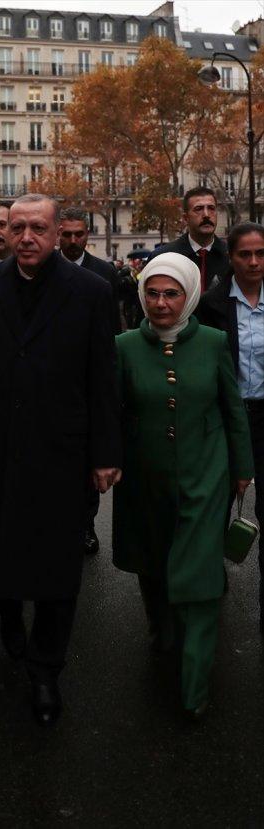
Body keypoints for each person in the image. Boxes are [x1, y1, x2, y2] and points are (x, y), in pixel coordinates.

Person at [0, 194, 121, 726]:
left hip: (61, 452)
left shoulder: (91, 290)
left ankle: (46, 670)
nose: (25, 237)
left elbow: (102, 377)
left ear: (56, 231)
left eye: (37, 228)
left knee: (57, 570)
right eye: (17, 226)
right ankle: (6, 613)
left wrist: (105, 453)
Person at [113, 252, 253, 720]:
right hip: (145, 476)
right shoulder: (124, 346)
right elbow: (113, 412)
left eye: (171, 293)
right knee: (153, 560)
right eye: (152, 293)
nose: (161, 303)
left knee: (200, 575)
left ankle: (194, 685)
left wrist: (243, 468)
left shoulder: (213, 342)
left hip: (206, 474)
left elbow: (232, 408)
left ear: (189, 295)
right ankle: (161, 627)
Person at [197, 222, 264, 632]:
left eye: (261, 253)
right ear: (231, 257)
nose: (254, 262)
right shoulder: (213, 305)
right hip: (227, 417)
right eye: (245, 254)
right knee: (217, 502)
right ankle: (208, 580)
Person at [59, 207, 121, 556]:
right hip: (55, 375)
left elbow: (112, 329)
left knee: (87, 461)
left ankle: (86, 524)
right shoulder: (45, 269)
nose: (72, 241)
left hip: (89, 377)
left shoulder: (104, 273)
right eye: (66, 234)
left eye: (78, 234)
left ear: (88, 234)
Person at [147, 187, 230, 292]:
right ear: (186, 218)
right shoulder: (162, 258)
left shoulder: (231, 257)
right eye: (198, 209)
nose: (206, 215)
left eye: (211, 208)